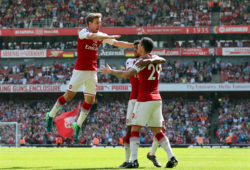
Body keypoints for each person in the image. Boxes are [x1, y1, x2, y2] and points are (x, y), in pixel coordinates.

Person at [45, 13, 134, 142]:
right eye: (97, 22)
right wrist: (107, 36)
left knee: (90, 101)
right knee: (69, 96)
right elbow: (92, 36)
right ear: (90, 23)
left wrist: (133, 45)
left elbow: (118, 43)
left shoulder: (101, 35)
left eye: (100, 22)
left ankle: (78, 125)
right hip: (80, 70)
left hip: (92, 71)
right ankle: (51, 115)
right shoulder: (83, 32)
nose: (99, 25)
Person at [101, 37, 178, 168]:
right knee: (157, 131)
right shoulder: (155, 59)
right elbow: (163, 60)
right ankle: (172, 157)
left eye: (139, 45)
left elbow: (126, 74)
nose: (137, 47)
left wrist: (111, 71)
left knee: (135, 128)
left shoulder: (141, 61)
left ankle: (134, 161)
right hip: (157, 99)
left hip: (144, 98)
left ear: (142, 47)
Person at [119, 40, 163, 168]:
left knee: (160, 128)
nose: (134, 50)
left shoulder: (151, 60)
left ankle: (152, 153)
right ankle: (128, 160)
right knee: (130, 129)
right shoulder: (130, 62)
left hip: (148, 98)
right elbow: (130, 75)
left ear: (141, 49)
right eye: (133, 48)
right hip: (135, 99)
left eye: (136, 48)